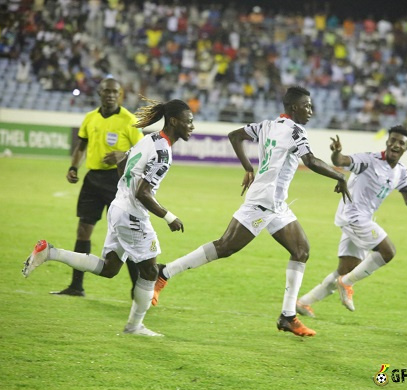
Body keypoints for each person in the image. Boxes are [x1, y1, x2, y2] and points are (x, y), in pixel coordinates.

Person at [152, 86, 351, 337]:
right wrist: (340, 176)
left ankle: (287, 316)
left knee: (301, 251)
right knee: (225, 247)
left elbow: (235, 135)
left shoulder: (267, 125)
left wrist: (248, 168)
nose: (311, 110)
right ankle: (165, 271)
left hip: (276, 204)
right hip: (263, 202)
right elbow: (310, 161)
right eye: (307, 106)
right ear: (293, 108)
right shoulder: (295, 130)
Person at [22, 98, 195, 337]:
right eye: (189, 121)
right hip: (132, 214)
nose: (192, 126)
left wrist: (125, 192)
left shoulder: (149, 138)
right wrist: (169, 217)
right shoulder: (163, 152)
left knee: (110, 268)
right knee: (151, 273)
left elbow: (123, 167)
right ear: (174, 121)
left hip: (119, 207)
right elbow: (142, 192)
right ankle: (134, 327)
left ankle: (50, 252)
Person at [296, 126, 407, 316]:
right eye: (393, 140)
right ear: (387, 142)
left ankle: (303, 302)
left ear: (406, 148)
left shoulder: (401, 171)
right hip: (353, 216)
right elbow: (341, 161)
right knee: (387, 251)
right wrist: (337, 153)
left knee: (346, 269)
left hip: (363, 219)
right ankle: (347, 283)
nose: (396, 145)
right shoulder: (369, 160)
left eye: (401, 142)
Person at [51, 77, 143, 298]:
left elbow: (143, 151)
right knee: (83, 230)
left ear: (120, 95)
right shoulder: (90, 118)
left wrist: (124, 155)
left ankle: (137, 290)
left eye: (115, 92)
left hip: (118, 181)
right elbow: (81, 145)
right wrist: (74, 166)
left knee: (126, 235)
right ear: (99, 93)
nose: (111, 95)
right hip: (92, 180)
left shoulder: (129, 120)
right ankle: (76, 286)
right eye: (107, 91)